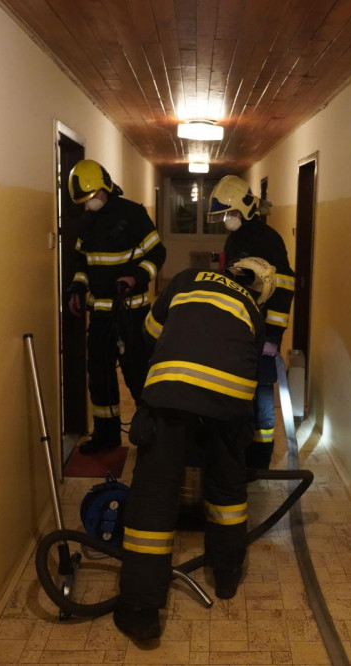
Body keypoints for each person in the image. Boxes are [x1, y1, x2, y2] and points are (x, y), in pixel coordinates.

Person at [112, 257, 275, 640]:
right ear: (261, 293)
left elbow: (150, 331)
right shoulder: (253, 310)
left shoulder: (187, 279)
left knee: (155, 493)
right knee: (227, 486)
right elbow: (249, 362)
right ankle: (226, 574)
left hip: (172, 388)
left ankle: (141, 609)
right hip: (230, 400)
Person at [66, 159, 166, 455]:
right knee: (100, 377)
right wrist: (78, 287)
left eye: (92, 196)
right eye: (84, 200)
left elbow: (157, 254)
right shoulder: (86, 223)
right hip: (100, 314)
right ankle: (106, 435)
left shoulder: (134, 215)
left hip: (132, 313)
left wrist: (136, 277)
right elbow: (82, 263)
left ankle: (152, 435)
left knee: (138, 374)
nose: (90, 203)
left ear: (106, 187)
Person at [207, 175, 295, 469]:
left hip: (262, 330)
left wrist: (273, 336)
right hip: (241, 327)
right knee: (241, 389)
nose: (226, 220)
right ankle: (242, 449)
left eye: (229, 213)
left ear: (243, 209)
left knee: (262, 394)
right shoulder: (237, 237)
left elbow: (284, 287)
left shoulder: (268, 240)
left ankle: (260, 455)